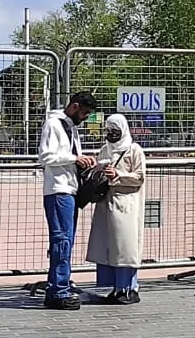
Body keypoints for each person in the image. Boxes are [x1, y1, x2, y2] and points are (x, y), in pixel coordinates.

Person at [37, 92, 97, 310]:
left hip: (69, 188)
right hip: (58, 189)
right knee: (62, 240)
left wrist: (82, 162)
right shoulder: (54, 124)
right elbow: (45, 156)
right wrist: (75, 159)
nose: (85, 117)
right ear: (74, 106)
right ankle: (58, 289)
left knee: (65, 240)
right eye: (85, 113)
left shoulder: (70, 127)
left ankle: (59, 285)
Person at [86, 114, 148, 305]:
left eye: (115, 130)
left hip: (126, 204)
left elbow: (139, 176)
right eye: (108, 130)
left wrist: (118, 175)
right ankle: (114, 287)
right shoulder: (105, 149)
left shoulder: (134, 149)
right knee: (107, 246)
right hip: (106, 203)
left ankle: (129, 288)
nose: (111, 134)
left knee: (125, 247)